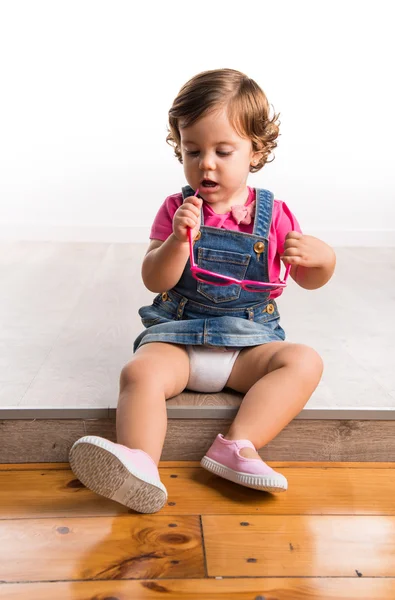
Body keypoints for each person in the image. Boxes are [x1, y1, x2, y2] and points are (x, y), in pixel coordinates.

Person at [69, 68, 336, 514]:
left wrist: (323, 259)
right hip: (180, 337)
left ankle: (237, 446)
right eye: (192, 150)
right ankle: (139, 463)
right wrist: (177, 241)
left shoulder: (275, 215)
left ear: (257, 151)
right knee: (139, 374)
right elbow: (155, 279)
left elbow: (307, 279)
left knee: (304, 361)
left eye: (222, 151)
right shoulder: (177, 209)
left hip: (247, 344)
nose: (205, 163)